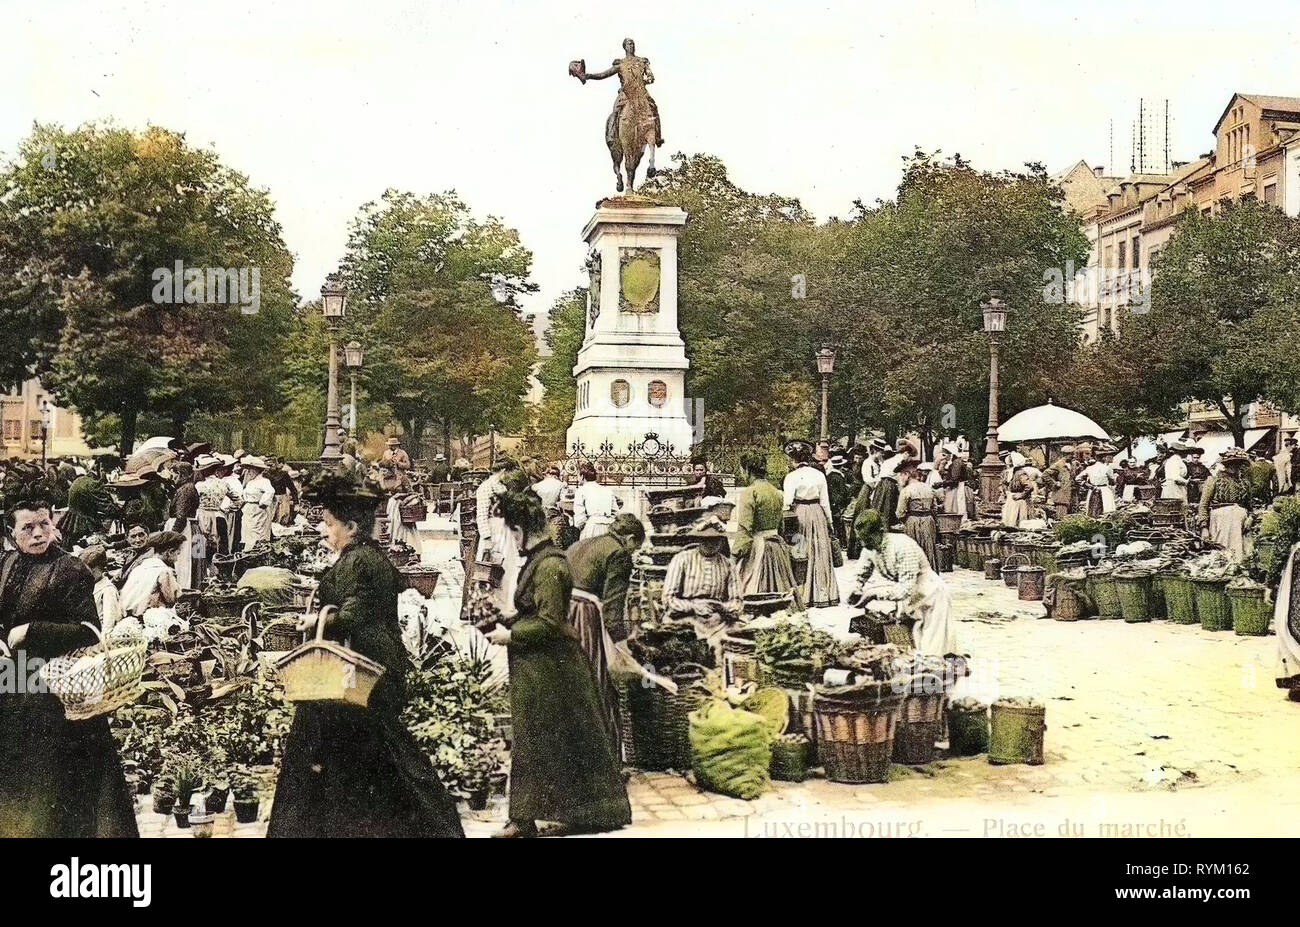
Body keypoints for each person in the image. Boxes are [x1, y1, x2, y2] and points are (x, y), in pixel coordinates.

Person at [268, 476, 464, 839]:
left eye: (329, 524)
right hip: (355, 668)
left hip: (362, 670)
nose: (324, 531)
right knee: (363, 754)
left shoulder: (361, 561)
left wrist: (317, 618)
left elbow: (355, 612)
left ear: (352, 527)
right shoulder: (364, 557)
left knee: (378, 751)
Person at [483, 488, 631, 838]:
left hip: (551, 668)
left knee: (537, 739)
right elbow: (539, 610)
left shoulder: (549, 564)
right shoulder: (542, 560)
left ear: (520, 530)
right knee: (551, 740)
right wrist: (512, 614)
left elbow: (550, 623)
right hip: (544, 665)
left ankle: (525, 820)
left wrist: (511, 634)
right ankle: (542, 815)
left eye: (511, 531)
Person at [0, 499, 138, 837]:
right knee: (14, 764)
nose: (38, 533)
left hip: (56, 685)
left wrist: (30, 632)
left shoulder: (70, 568)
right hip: (11, 679)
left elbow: (90, 631)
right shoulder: (7, 563)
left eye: (44, 524)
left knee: (54, 773)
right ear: (10, 533)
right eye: (27, 528)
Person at [566, 512, 646, 754]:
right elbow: (612, 609)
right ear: (630, 538)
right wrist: (623, 647)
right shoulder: (619, 555)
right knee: (597, 685)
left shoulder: (581, 543)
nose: (633, 552)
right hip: (584, 618)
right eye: (635, 547)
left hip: (561, 613)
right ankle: (602, 759)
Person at [850, 510, 956, 657]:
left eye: (867, 539)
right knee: (913, 647)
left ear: (880, 531)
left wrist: (873, 594)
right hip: (913, 598)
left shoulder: (901, 545)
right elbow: (861, 572)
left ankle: (937, 674)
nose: (863, 543)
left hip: (932, 595)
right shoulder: (870, 548)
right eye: (861, 539)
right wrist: (855, 589)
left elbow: (906, 588)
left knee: (933, 649)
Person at [732, 451, 797, 602]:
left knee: (754, 588)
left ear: (747, 470)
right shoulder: (776, 492)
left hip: (758, 548)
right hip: (776, 546)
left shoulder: (750, 492)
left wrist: (735, 554)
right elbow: (781, 524)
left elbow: (744, 528)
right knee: (780, 588)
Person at [782, 441, 840, 608]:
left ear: (793, 460)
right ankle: (823, 594)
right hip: (818, 513)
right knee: (820, 552)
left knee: (802, 552)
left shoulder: (791, 476)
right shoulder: (819, 475)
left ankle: (804, 594)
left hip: (800, 513)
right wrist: (829, 523)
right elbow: (825, 502)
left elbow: (787, 502)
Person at [661, 520, 742, 626]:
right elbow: (668, 598)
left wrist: (722, 607)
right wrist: (694, 607)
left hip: (716, 616)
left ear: (722, 541)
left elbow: (737, 601)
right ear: (698, 540)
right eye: (706, 540)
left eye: (715, 540)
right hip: (684, 615)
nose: (710, 544)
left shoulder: (728, 564)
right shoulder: (682, 559)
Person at [1198, 448, 1253, 562]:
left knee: (1239, 554)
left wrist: (1250, 518)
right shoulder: (1214, 480)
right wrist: (1204, 528)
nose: (1235, 467)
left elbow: (1249, 506)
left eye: (1238, 464)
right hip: (1221, 522)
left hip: (1239, 524)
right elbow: (1203, 504)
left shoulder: (1245, 483)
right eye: (1231, 464)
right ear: (1226, 465)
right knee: (1221, 553)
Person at [118, 530, 184, 616]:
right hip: (148, 618)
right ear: (170, 552)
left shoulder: (140, 567)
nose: (177, 559)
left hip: (129, 614)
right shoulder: (164, 572)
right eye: (177, 554)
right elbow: (171, 599)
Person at [59, 461, 117, 548]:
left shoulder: (81, 479)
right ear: (101, 470)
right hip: (82, 525)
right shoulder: (93, 484)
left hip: (71, 522)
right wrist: (120, 511)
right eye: (109, 473)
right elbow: (106, 507)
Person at [896, 459, 939, 569]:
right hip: (929, 521)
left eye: (901, 475)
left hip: (913, 521)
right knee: (929, 548)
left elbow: (900, 512)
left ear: (907, 475)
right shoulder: (928, 488)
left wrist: (905, 520)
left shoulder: (906, 491)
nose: (900, 478)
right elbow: (934, 508)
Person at [79, 545, 121, 634]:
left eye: (92, 572)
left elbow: (109, 623)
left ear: (102, 569)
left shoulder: (107, 590)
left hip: (97, 634)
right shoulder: (87, 585)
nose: (86, 575)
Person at [573, 461, 620, 540]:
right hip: (608, 527)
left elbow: (579, 516)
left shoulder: (581, 491)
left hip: (591, 527)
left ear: (582, 477)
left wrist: (580, 526)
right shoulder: (607, 490)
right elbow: (616, 512)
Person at [238, 457, 275, 550]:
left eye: (251, 469)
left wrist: (263, 503)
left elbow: (270, 491)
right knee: (248, 532)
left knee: (257, 533)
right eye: (248, 469)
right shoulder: (251, 482)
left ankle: (257, 551)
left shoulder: (264, 481)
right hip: (248, 509)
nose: (249, 472)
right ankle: (248, 551)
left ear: (257, 470)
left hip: (257, 509)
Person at [936, 444, 976, 524]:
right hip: (958, 487)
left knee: (957, 508)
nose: (944, 457)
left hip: (958, 489)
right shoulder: (956, 462)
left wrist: (941, 484)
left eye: (945, 455)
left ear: (950, 454)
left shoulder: (956, 463)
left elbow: (954, 480)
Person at [1079, 449, 1117, 517]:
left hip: (1092, 489)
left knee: (1092, 508)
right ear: (1104, 458)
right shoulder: (1107, 468)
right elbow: (1113, 481)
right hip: (1104, 490)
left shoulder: (1089, 468)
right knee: (1106, 508)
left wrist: (1087, 484)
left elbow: (1077, 478)